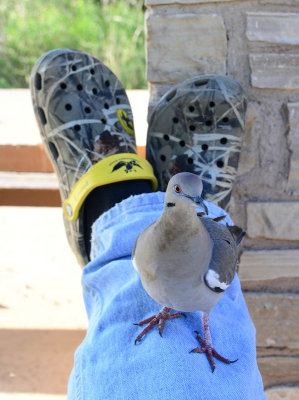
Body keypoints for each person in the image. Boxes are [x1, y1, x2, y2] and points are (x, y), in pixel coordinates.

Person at [30, 49, 266, 399]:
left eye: (194, 199)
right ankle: (191, 210)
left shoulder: (214, 260)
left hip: (205, 268)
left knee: (134, 272)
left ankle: (110, 217)